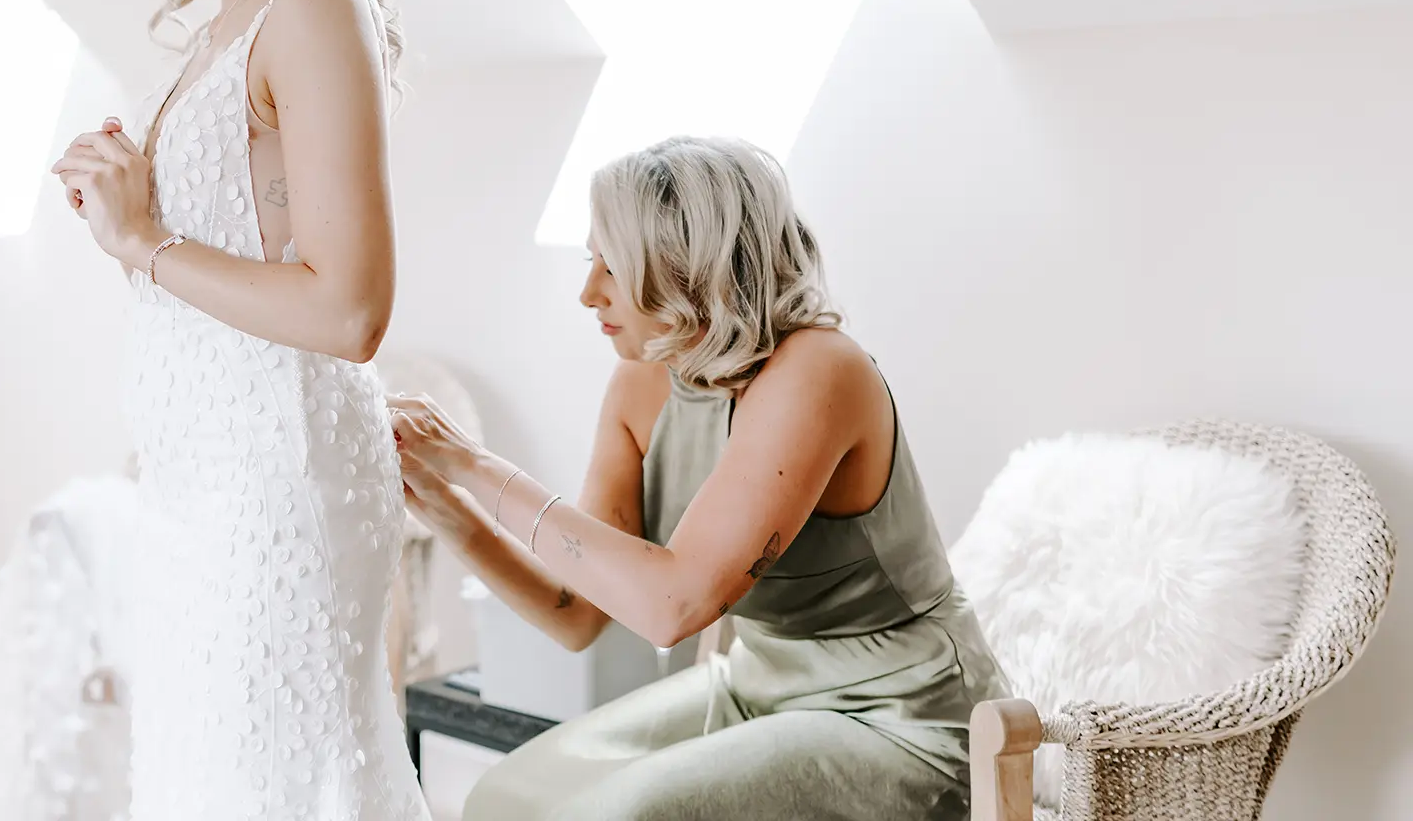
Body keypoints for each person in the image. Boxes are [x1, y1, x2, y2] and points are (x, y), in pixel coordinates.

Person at [36, 0, 430, 819]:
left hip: (279, 484)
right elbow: (209, 277)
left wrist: (145, 240)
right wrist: (130, 218)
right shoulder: (223, 31)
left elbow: (350, 309)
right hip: (199, 478)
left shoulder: (313, 7)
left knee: (268, 779)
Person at [389, 137, 1007, 821]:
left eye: (609, 264)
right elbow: (577, 615)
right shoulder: (641, 381)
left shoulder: (820, 371)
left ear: (685, 264)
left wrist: (477, 464)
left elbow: (671, 607)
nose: (588, 291)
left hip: (903, 716)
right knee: (504, 797)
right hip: (755, 685)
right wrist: (446, 504)